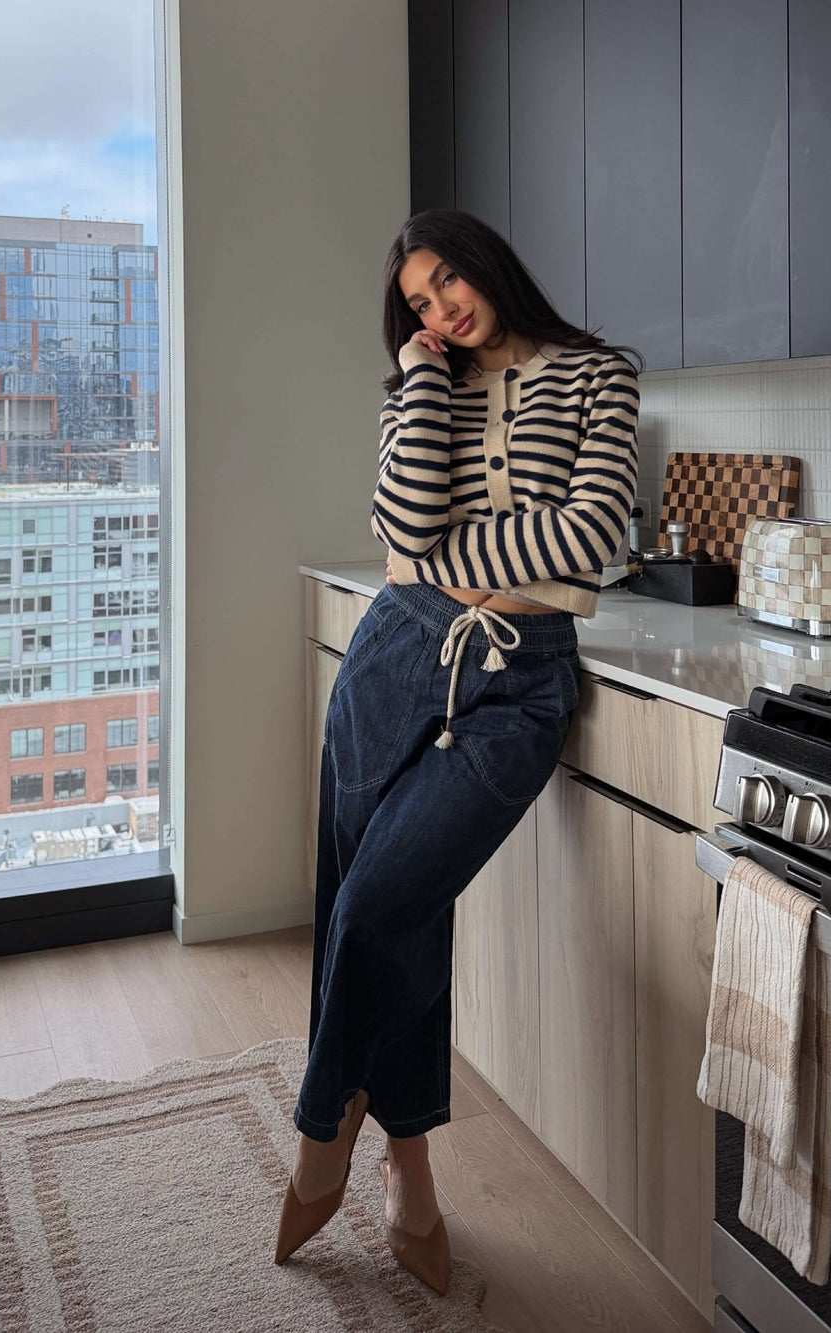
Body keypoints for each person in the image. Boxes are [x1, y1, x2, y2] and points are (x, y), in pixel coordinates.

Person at [275, 209, 641, 1296]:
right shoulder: (420, 385)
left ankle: (321, 1129)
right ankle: (413, 1171)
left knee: (379, 901)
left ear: (486, 263)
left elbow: (593, 535)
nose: (441, 309)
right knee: (392, 912)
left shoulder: (599, 374)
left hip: (518, 682)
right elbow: (403, 523)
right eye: (418, 303)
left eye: (448, 283)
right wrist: (423, 380)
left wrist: (437, 555)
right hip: (396, 657)